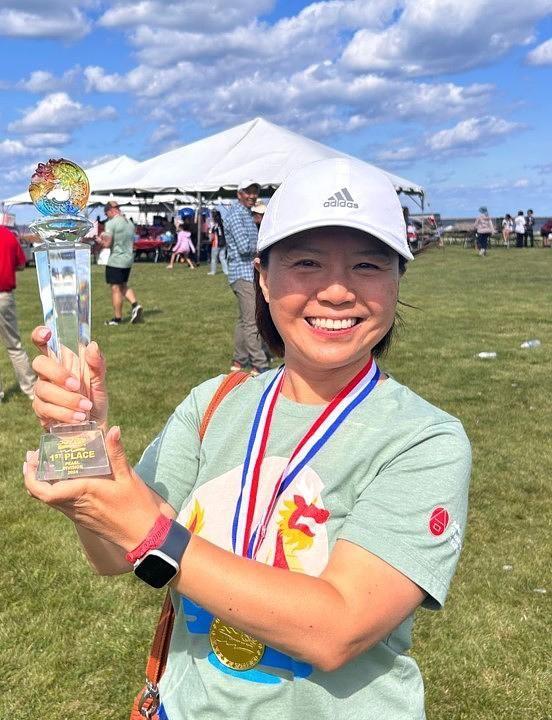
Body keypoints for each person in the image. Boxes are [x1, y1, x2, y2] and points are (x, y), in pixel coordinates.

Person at [25, 156, 471, 720]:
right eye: (306, 263)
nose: (336, 292)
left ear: (397, 280)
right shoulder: (214, 404)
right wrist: (85, 454)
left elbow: (339, 627)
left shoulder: (423, 440)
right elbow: (116, 553)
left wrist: (144, 526)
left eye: (367, 265)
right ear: (262, 276)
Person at [225, 179, 269, 375]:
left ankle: (238, 360)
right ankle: (259, 363)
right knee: (252, 320)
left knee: (244, 320)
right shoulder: (236, 215)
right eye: (248, 192)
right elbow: (244, 247)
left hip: (245, 272)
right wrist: (264, 248)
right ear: (239, 194)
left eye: (254, 192)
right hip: (242, 273)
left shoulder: (245, 214)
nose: (252, 195)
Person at [0, 223, 36, 401]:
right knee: (14, 346)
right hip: (4, 296)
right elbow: (22, 264)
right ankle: (30, 389)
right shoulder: (7, 235)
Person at [100, 201, 143, 325]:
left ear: (109, 211)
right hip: (128, 259)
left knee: (115, 288)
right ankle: (135, 305)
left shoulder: (111, 223)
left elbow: (107, 244)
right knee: (123, 284)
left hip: (116, 260)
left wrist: (100, 241)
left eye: (106, 214)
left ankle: (117, 319)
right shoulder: (129, 223)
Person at [207, 210, 228, 275]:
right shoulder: (223, 224)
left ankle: (213, 271)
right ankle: (226, 271)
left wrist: (209, 235)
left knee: (214, 259)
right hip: (224, 243)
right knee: (222, 258)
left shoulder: (214, 225)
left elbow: (212, 236)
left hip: (216, 244)